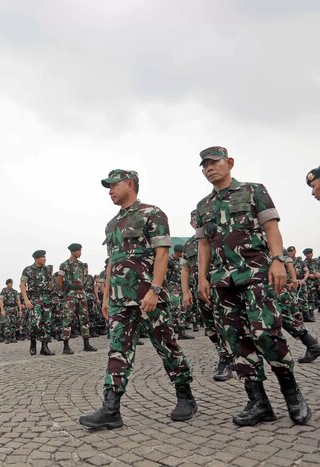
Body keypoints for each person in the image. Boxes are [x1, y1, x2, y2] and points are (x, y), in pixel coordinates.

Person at [196, 146, 310, 426]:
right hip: (223, 281)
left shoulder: (253, 191)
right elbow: (203, 244)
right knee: (237, 341)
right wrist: (202, 277)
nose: (209, 168)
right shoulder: (202, 206)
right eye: (204, 165)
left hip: (256, 274)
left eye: (214, 162)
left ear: (229, 163)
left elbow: (271, 227)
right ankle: (258, 403)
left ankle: (293, 395)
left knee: (266, 333)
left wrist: (278, 261)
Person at [79, 169, 196, 430]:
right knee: (118, 351)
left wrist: (155, 290)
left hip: (149, 296)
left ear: (129, 185)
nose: (109, 191)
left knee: (167, 347)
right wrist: (107, 296)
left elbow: (162, 253)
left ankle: (185, 396)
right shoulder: (112, 224)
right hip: (121, 300)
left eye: (113, 185)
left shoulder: (152, 213)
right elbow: (111, 264)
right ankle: (111, 409)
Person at [181, 210, 233, 381]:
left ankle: (231, 359)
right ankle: (224, 354)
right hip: (201, 292)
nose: (197, 223)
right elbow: (185, 268)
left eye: (199, 220)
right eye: (194, 221)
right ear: (191, 224)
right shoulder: (188, 245)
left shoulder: (217, 237)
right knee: (210, 328)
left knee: (228, 324)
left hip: (221, 288)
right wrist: (186, 291)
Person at [58, 243, 96, 353]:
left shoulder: (82, 265)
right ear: (73, 252)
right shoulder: (64, 265)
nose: (80, 252)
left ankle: (86, 344)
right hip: (70, 295)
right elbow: (59, 281)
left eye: (81, 250)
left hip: (81, 294)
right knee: (68, 320)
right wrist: (66, 291)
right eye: (78, 251)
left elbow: (83, 279)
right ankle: (66, 346)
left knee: (85, 319)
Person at [20, 250, 55, 356]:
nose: (45, 258)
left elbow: (50, 283)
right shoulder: (28, 270)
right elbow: (22, 285)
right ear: (36, 259)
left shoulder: (48, 269)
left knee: (47, 323)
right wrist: (26, 300)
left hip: (46, 298)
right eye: (42, 257)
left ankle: (45, 347)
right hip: (34, 299)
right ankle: (33, 341)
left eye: (45, 256)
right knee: (35, 322)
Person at [0, 279, 20, 344]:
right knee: (7, 323)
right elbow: (1, 300)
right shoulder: (4, 291)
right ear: (7, 284)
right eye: (9, 283)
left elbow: (18, 300)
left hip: (13, 308)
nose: (11, 284)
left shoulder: (15, 291)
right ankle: (7, 338)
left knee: (13, 323)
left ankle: (12, 338)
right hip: (7, 308)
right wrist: (2, 310)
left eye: (11, 283)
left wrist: (20, 310)